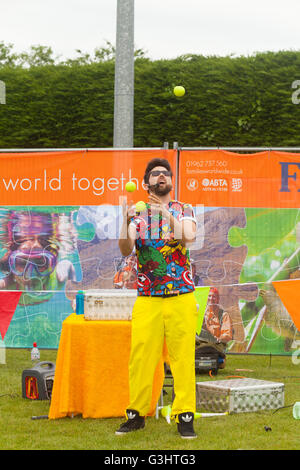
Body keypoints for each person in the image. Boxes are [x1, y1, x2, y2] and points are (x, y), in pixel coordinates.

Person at [115, 158, 198, 439]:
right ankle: (135, 415)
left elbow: (187, 238)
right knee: (140, 359)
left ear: (171, 182)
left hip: (181, 296)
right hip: (147, 297)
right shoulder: (136, 214)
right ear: (145, 183)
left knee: (182, 358)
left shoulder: (183, 209)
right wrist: (125, 221)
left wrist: (164, 213)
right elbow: (126, 249)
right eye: (155, 174)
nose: (161, 177)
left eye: (165, 173)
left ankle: (184, 416)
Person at [196, 287, 233, 368]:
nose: (211, 299)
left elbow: (227, 336)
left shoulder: (223, 315)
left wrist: (209, 328)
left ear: (218, 299)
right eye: (209, 296)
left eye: (214, 296)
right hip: (199, 343)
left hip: (215, 345)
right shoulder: (199, 313)